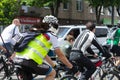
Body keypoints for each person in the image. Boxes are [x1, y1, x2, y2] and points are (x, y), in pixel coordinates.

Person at [14, 15, 74, 80]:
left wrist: (54, 65)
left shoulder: (34, 33)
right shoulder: (51, 36)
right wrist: (71, 66)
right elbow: (60, 55)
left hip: (18, 59)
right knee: (52, 73)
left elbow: (45, 55)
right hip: (30, 61)